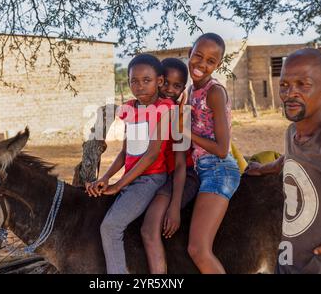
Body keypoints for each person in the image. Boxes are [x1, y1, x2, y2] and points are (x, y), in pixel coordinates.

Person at [246, 48, 321, 274]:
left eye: (303, 84)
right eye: (284, 85)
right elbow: (290, 160)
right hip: (288, 264)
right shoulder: (292, 133)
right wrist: (263, 169)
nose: (290, 93)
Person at [85, 54, 173, 274]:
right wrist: (105, 177)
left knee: (110, 227)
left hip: (151, 178)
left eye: (146, 80)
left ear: (159, 81)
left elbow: (152, 154)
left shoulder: (164, 109)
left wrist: (120, 184)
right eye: (134, 80)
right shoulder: (129, 109)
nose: (139, 86)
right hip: (132, 177)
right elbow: (126, 152)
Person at [185, 33, 241, 273]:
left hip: (219, 170)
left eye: (210, 61)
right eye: (198, 56)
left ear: (218, 65)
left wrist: (184, 133)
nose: (202, 64)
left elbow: (221, 148)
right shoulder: (189, 91)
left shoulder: (214, 92)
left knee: (198, 250)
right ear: (190, 53)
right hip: (201, 168)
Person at [140, 58, 200, 274]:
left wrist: (174, 206)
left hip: (183, 177)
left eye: (177, 86)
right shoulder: (153, 111)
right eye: (166, 83)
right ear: (158, 80)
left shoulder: (179, 116)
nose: (169, 90)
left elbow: (182, 165)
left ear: (183, 89)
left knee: (148, 229)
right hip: (163, 176)